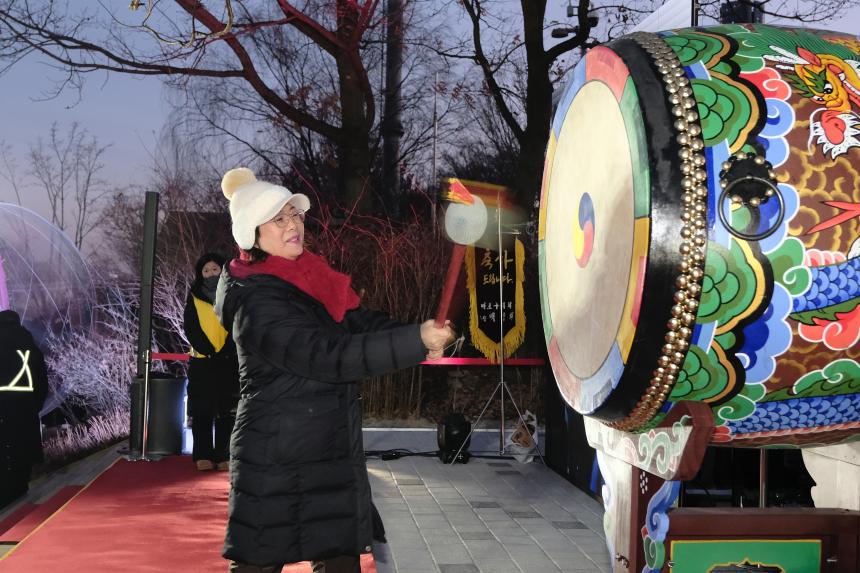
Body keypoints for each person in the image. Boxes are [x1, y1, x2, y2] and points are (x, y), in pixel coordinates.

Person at [214, 168, 455, 573]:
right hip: (276, 453)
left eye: (296, 214)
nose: (294, 225)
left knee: (339, 555)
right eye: (279, 218)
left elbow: (359, 323)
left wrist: (421, 334)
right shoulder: (255, 300)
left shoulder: (311, 277)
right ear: (250, 234)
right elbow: (328, 355)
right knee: (259, 559)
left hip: (327, 449)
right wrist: (415, 342)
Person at [183, 253, 240, 471]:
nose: (210, 273)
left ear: (222, 270)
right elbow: (191, 328)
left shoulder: (233, 293)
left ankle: (225, 454)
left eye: (214, 269)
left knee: (228, 411)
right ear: (200, 274)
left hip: (228, 360)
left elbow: (238, 323)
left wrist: (226, 349)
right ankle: (203, 455)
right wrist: (208, 350)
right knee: (202, 411)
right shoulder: (194, 297)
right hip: (202, 363)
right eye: (206, 270)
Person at [0, 310, 49, 509]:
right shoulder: (31, 348)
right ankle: (20, 497)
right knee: (22, 453)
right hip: (25, 408)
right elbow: (42, 384)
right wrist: (32, 407)